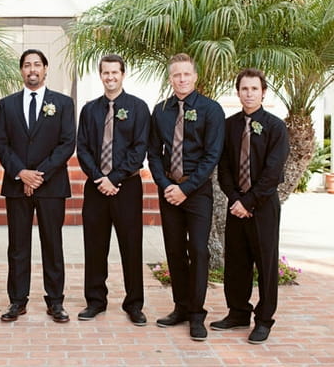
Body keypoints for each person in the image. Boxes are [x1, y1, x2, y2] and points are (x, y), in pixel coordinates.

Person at [147, 53, 225, 341]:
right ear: (170, 78)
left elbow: (212, 155)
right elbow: (153, 153)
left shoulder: (211, 109)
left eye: (186, 74)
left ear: (195, 76)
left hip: (197, 191)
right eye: (176, 75)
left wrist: (186, 188)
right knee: (175, 251)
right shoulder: (161, 110)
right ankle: (180, 307)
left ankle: (197, 314)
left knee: (199, 251)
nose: (181, 79)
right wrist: (166, 184)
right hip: (169, 190)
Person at [0, 49, 76, 323]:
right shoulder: (7, 105)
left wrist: (38, 174)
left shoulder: (63, 103)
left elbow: (67, 143)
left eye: (37, 65)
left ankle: (56, 301)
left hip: (51, 185)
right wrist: (21, 172)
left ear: (45, 69)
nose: (32, 69)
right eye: (27, 65)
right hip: (16, 185)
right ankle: (17, 301)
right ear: (21, 71)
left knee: (52, 244)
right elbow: (1, 143)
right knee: (18, 246)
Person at [211, 68, 289, 344]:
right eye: (244, 89)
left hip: (263, 206)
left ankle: (264, 319)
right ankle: (238, 312)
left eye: (254, 89)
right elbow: (225, 168)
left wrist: (249, 201)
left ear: (263, 92)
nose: (249, 94)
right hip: (236, 206)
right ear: (238, 92)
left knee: (265, 264)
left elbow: (273, 172)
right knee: (236, 262)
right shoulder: (229, 125)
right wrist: (235, 200)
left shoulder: (276, 127)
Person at [76, 54, 150, 324]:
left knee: (131, 246)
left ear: (123, 74)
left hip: (127, 187)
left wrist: (115, 178)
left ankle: (134, 304)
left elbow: (139, 148)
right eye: (105, 73)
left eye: (114, 73)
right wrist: (99, 178)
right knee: (95, 246)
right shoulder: (89, 110)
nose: (110, 77)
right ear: (100, 75)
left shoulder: (139, 108)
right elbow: (82, 148)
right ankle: (95, 300)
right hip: (95, 187)